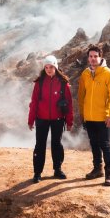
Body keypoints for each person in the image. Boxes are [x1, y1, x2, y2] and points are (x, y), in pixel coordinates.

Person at [78, 44, 110, 187]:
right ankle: (97, 169)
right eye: (90, 56)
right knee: (94, 145)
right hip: (89, 118)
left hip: (104, 117)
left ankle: (109, 174)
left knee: (105, 145)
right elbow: (81, 96)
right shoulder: (85, 74)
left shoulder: (109, 74)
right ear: (88, 58)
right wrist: (83, 115)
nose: (93, 59)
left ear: (100, 57)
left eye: (95, 56)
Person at [28, 54, 74, 183]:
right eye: (46, 67)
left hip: (58, 119)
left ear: (56, 67)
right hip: (41, 119)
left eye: (51, 67)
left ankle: (57, 169)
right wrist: (31, 120)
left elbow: (69, 103)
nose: (48, 69)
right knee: (40, 145)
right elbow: (34, 102)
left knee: (56, 144)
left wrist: (69, 121)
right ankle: (37, 173)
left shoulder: (63, 83)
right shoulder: (39, 83)